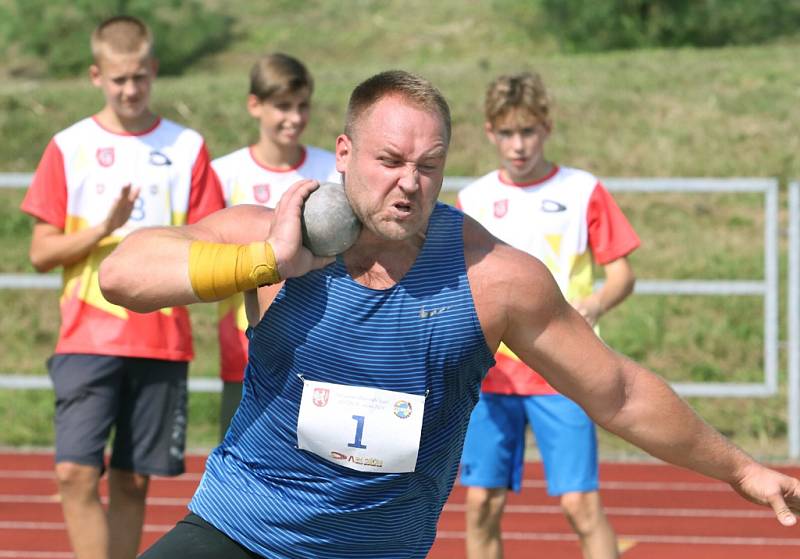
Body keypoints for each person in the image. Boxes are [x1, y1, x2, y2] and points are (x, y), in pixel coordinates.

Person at [98, 70, 800, 559]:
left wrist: (741, 469)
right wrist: (267, 263)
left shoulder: (496, 278)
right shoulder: (273, 233)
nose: (409, 182)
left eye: (428, 165)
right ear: (343, 153)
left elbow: (615, 390)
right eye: (389, 160)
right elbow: (123, 271)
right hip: (240, 530)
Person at [19, 15, 224, 559]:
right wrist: (103, 229)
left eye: (139, 77)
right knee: (73, 473)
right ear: (95, 76)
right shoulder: (69, 146)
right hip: (86, 337)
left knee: (134, 481)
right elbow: (40, 252)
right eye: (118, 80)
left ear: (153, 70)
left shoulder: (187, 147)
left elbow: (211, 242)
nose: (130, 90)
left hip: (160, 338)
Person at [457, 71, 635, 559]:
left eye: (528, 131)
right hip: (492, 375)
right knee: (481, 505)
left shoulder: (583, 190)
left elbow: (621, 274)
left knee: (580, 505)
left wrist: (596, 303)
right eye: (508, 133)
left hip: (566, 369)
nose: (519, 145)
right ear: (490, 132)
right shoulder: (471, 201)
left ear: (547, 128)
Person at [211, 52, 339, 440]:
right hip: (245, 346)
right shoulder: (223, 173)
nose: (295, 118)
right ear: (255, 105)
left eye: (302, 107)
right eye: (283, 106)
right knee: (237, 473)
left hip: (322, 345)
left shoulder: (332, 169)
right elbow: (207, 257)